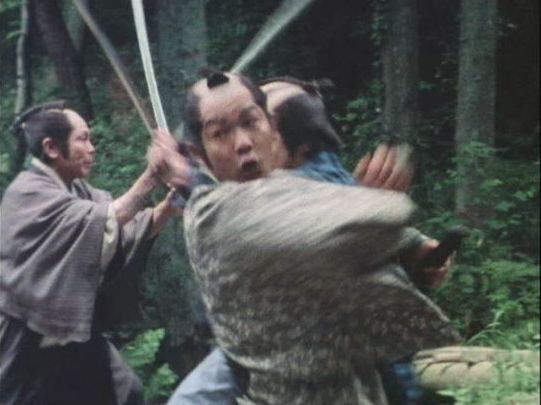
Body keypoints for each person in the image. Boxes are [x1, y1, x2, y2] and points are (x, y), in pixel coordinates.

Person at [150, 70, 460, 404]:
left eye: (250, 122)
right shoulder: (212, 216)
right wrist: (368, 210)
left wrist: (413, 250)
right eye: (220, 133)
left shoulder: (302, 191)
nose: (242, 143)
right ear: (201, 154)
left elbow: (320, 220)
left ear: (273, 130)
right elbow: (335, 222)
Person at [0, 101, 189, 405]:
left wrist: (166, 209)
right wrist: (153, 174)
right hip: (29, 341)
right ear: (51, 148)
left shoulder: (78, 190)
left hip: (75, 335)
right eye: (83, 139)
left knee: (126, 392)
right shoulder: (26, 194)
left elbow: (118, 231)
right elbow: (103, 220)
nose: (92, 148)